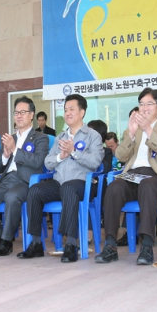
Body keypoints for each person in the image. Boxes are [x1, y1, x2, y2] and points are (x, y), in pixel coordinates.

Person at [96, 88, 157, 265]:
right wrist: (131, 134)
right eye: (141, 104)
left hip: (155, 176)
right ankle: (110, 245)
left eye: (149, 104)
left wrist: (149, 130)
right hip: (132, 175)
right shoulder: (131, 130)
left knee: (148, 186)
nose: (144, 108)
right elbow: (120, 156)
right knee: (113, 187)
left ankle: (147, 245)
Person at [18, 94, 104, 262]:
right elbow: (48, 163)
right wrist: (61, 156)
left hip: (83, 183)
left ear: (82, 112)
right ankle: (36, 243)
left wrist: (74, 152)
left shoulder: (93, 136)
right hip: (59, 182)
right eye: (65, 110)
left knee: (69, 188)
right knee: (35, 190)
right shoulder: (60, 138)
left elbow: (95, 163)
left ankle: (71, 244)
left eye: (72, 109)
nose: (67, 113)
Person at [0, 96, 49, 256]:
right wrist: (5, 155)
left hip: (26, 181)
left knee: (12, 196)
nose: (18, 115)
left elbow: (38, 161)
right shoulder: (11, 138)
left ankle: (7, 240)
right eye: (16, 112)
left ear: (32, 115)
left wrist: (15, 150)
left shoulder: (40, 138)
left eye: (23, 112)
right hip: (6, 179)